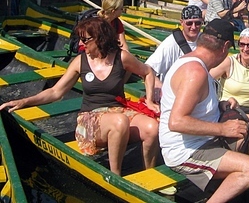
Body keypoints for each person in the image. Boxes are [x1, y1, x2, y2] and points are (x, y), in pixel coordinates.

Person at [0, 17, 159, 176]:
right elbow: (56, 92)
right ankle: (115, 176)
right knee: (120, 121)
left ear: (99, 38)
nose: (81, 44)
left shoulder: (121, 57)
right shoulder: (80, 61)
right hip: (91, 117)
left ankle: (149, 174)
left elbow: (147, 72)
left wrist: (150, 100)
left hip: (119, 111)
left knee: (152, 128)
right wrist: (25, 101)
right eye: (80, 39)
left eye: (85, 40)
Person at [159, 19, 249, 203]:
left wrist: (220, 104)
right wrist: (223, 130)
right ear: (225, 47)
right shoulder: (195, 72)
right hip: (186, 151)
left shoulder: (200, 67)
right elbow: (176, 122)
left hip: (207, 139)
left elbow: (196, 104)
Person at [146, 5, 203, 85]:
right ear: (182, 22)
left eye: (198, 23)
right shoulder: (170, 44)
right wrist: (159, 86)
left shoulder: (206, 41)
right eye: (189, 23)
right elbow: (148, 69)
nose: (193, 27)